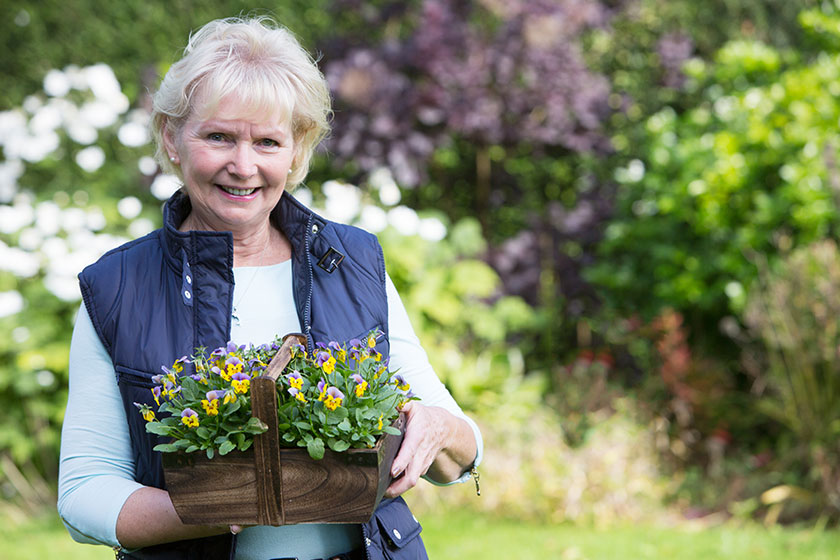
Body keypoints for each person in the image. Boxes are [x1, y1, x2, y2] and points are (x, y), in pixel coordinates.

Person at [57, 16, 482, 560]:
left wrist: (439, 429)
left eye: (267, 141)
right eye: (219, 137)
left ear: (296, 148)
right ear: (172, 136)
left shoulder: (351, 262)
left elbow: (462, 452)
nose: (244, 166)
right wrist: (223, 504)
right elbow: (84, 492)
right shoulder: (117, 287)